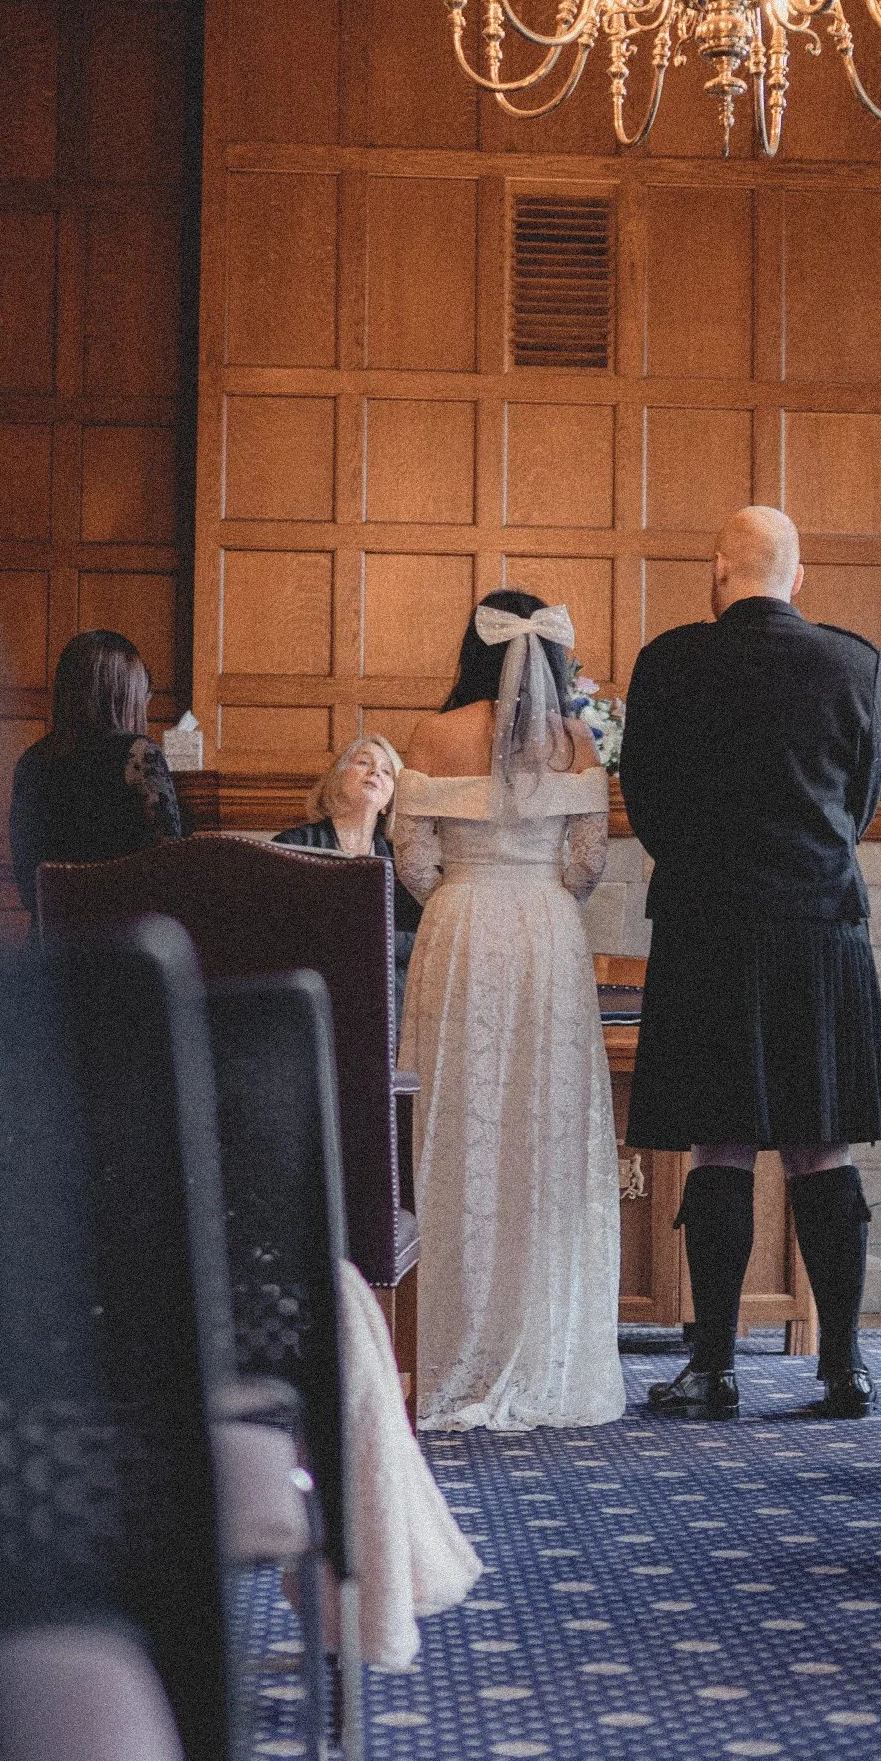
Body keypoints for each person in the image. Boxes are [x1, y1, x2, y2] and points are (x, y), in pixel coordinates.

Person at [620, 507, 881, 1424]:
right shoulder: (856, 663)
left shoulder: (668, 661)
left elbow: (647, 800)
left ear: (718, 567)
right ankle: (845, 1367)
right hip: (820, 924)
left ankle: (711, 1369)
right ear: (798, 576)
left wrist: (708, 865)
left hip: (708, 924)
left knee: (718, 1140)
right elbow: (859, 803)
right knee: (824, 1144)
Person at [392, 592, 624, 1431]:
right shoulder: (574, 742)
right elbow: (587, 863)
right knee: (543, 1129)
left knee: (456, 1122)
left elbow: (411, 859)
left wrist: (462, 890)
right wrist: (537, 891)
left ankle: (449, 1347)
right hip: (546, 935)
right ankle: (542, 1342)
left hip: (457, 928)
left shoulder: (430, 733)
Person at [8, 630, 181, 917]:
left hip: (48, 948)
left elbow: (28, 888)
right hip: (126, 947)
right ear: (126, 693)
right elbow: (169, 871)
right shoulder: (138, 753)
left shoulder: (32, 761)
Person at [274, 734, 423, 1018]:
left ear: (389, 801)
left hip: (384, 986)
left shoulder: (402, 859)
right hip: (315, 982)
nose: (375, 772)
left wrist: (373, 942)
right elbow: (279, 927)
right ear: (337, 781)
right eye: (363, 762)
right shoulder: (294, 843)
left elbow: (422, 937)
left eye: (386, 770)